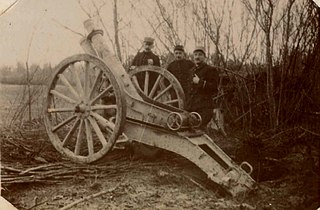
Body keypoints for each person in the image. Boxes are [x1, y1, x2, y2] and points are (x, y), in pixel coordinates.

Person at [187, 46, 219, 128]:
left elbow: (214, 88)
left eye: (200, 55)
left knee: (200, 130)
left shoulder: (210, 70)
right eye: (195, 55)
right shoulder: (191, 71)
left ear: (205, 57)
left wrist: (200, 82)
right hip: (191, 106)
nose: (197, 57)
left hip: (204, 107)